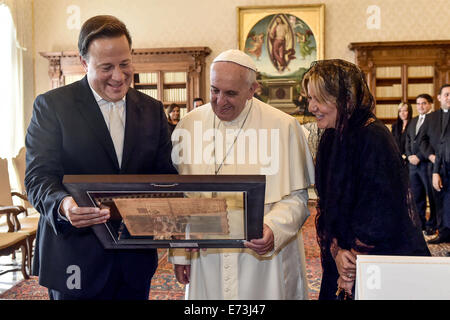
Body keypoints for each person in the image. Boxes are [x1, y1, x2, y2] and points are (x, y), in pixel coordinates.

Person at [25, 15, 176, 300]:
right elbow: (37, 177)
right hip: (74, 257)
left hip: (135, 262)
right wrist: (63, 205)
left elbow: (164, 176)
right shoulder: (52, 106)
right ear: (84, 63)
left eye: (124, 64)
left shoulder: (153, 110)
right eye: (106, 67)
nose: (118, 76)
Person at [169, 49, 315, 299]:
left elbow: (298, 199)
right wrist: (181, 252)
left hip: (262, 260)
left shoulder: (283, 126)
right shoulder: (189, 125)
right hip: (208, 257)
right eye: (214, 90)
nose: (220, 100)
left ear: (252, 89)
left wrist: (273, 227)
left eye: (231, 93)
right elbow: (182, 199)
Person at [301, 59, 430, 300]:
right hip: (342, 256)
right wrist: (336, 249)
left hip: (379, 258)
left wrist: (351, 264)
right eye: (309, 99)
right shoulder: (330, 135)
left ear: (345, 99)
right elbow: (327, 205)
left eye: (319, 99)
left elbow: (382, 213)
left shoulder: (374, 136)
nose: (312, 107)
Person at [405, 94, 436, 235]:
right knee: (417, 197)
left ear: (430, 104)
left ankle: (432, 225)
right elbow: (408, 140)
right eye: (418, 104)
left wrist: (419, 156)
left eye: (423, 103)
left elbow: (433, 143)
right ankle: (420, 224)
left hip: (426, 165)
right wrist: (410, 155)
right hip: (413, 166)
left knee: (432, 196)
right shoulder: (413, 121)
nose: (420, 106)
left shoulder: (434, 120)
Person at [424, 84, 450, 246]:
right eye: (447, 94)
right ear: (439, 97)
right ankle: (444, 232)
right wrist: (435, 165)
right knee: (442, 204)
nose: (449, 97)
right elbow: (440, 145)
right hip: (440, 166)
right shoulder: (432, 117)